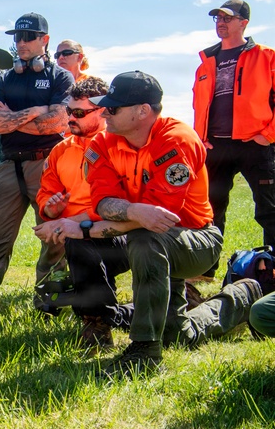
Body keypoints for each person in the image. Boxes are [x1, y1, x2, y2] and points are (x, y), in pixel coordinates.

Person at [84, 71, 263, 375]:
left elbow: (160, 219)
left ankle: (145, 349)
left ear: (143, 111)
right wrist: (132, 211)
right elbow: (102, 202)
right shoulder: (103, 142)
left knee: (144, 239)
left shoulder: (176, 140)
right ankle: (242, 297)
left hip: (196, 239)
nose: (104, 114)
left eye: (112, 108)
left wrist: (99, 226)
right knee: (178, 335)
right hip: (153, 239)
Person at [0, 12, 74, 322]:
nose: (21, 42)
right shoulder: (4, 80)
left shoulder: (61, 78)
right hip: (9, 167)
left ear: (44, 40)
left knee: (54, 236)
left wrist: (13, 117)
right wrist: (37, 112)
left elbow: (58, 122)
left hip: (47, 164)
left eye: (28, 36)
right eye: (17, 37)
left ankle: (49, 305)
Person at [32, 77, 135, 350]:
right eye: (69, 111)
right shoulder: (60, 151)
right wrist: (50, 208)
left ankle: (103, 319)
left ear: (102, 111)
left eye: (79, 112)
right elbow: (46, 192)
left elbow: (122, 205)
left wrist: (68, 223)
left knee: (79, 240)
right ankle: (99, 322)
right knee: (78, 242)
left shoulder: (121, 145)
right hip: (76, 235)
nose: (70, 118)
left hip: (126, 234)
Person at [191, 0, 275, 278]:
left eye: (227, 18)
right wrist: (201, 138)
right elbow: (199, 104)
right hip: (216, 145)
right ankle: (206, 270)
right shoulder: (206, 61)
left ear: (244, 23)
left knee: (270, 210)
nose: (221, 23)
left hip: (255, 144)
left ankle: (272, 268)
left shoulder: (266, 56)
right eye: (217, 18)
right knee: (210, 209)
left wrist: (268, 135)